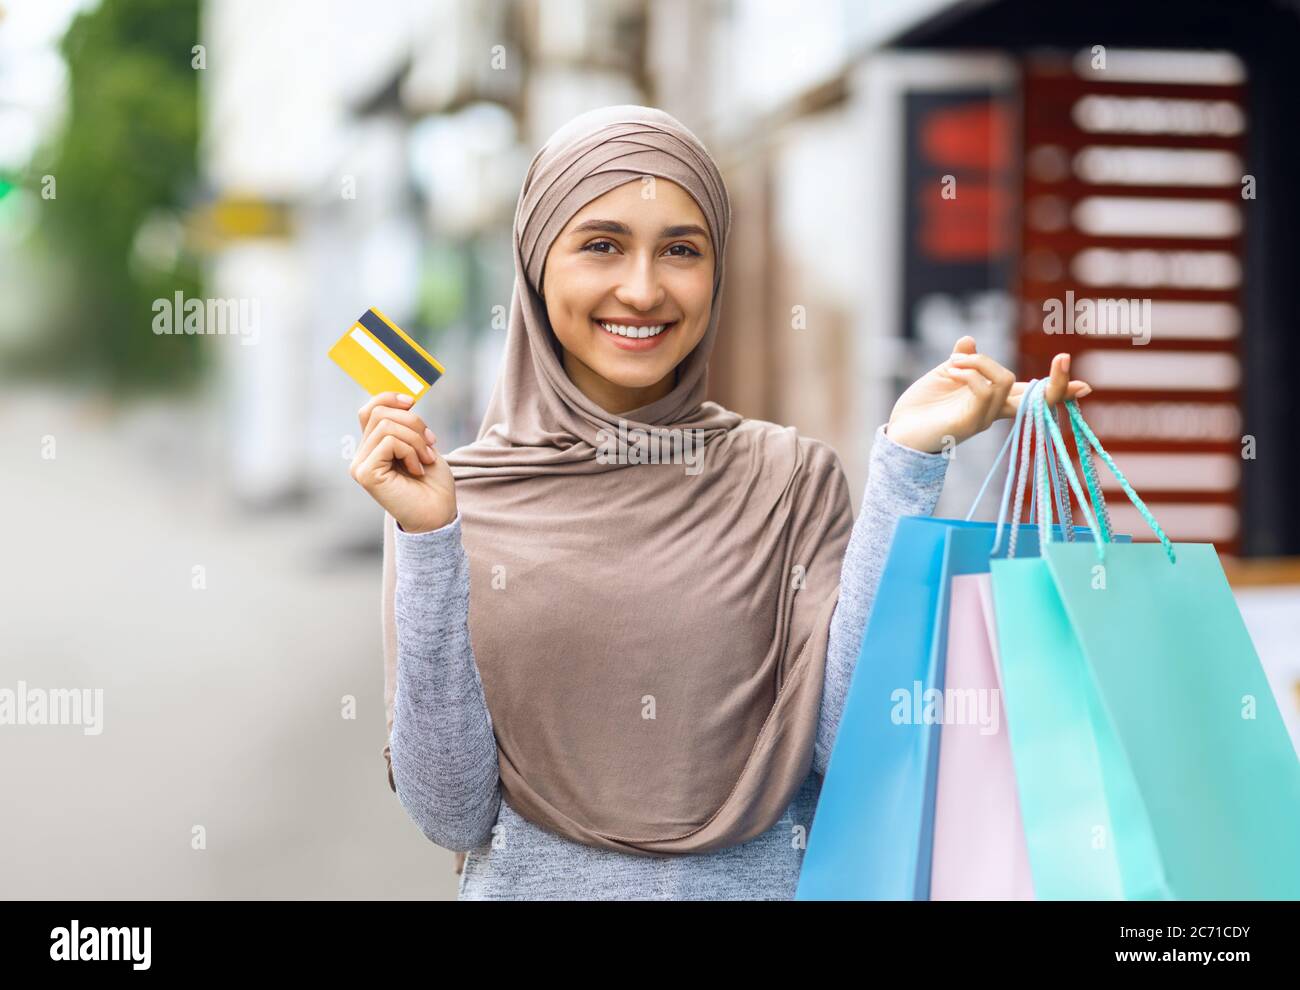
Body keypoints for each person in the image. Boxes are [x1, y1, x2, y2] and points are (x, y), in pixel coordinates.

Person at [350, 105, 1090, 899]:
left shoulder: (790, 478)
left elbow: (853, 749)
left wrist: (909, 460)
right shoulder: (453, 497)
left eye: (681, 250)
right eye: (601, 245)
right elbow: (452, 816)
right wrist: (429, 539)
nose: (642, 289)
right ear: (536, 266)